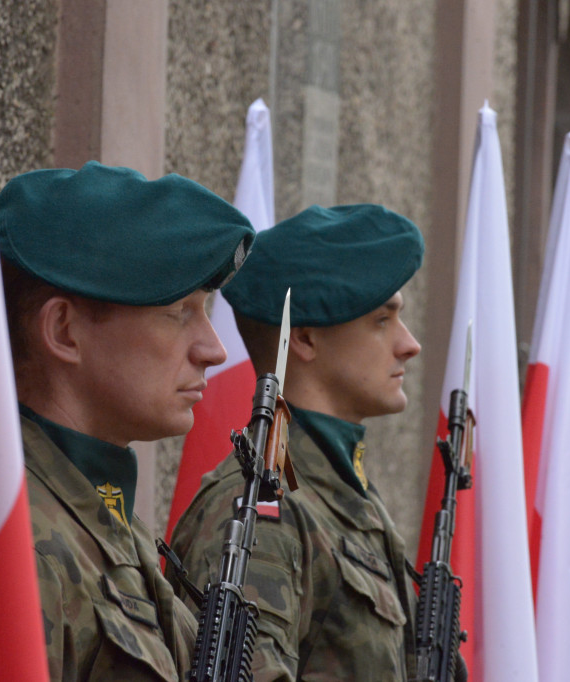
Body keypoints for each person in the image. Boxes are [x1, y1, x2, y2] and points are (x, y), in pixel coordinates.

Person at [0, 161, 255, 681]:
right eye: (178, 312)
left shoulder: (107, 520)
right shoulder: (14, 550)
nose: (215, 349)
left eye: (205, 310)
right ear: (65, 331)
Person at [168, 204, 425, 681]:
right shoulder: (261, 512)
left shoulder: (343, 496)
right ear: (304, 340)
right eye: (382, 321)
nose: (410, 344)